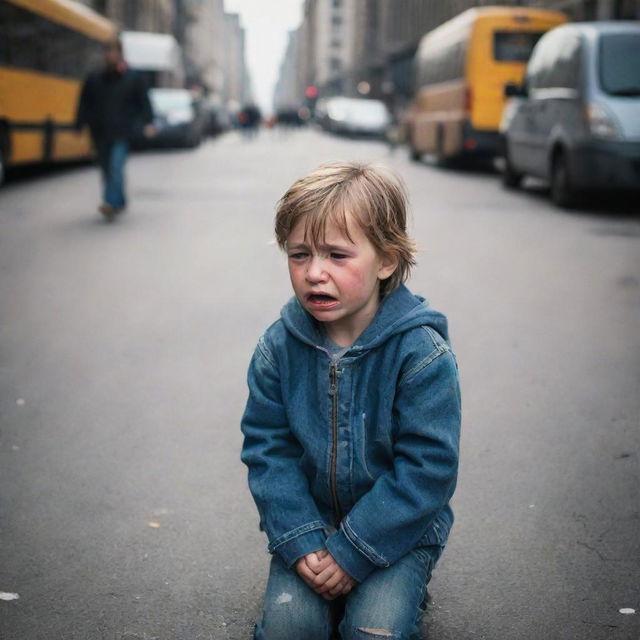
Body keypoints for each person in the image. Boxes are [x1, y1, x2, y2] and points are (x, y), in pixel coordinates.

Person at [241, 162, 462, 640]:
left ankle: (395, 587)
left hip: (397, 534)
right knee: (288, 631)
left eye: (337, 256)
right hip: (310, 528)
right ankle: (328, 582)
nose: (314, 272)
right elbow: (267, 451)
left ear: (386, 260)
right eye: (299, 255)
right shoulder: (278, 349)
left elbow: (429, 470)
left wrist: (356, 552)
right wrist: (301, 541)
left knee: (372, 631)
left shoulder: (420, 354)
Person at [75, 38, 154, 221]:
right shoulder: (95, 78)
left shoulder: (133, 78)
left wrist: (148, 122)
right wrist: (79, 123)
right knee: (105, 168)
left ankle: (110, 203)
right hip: (100, 132)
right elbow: (84, 103)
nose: (110, 55)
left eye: (114, 51)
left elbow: (144, 102)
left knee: (116, 166)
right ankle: (119, 200)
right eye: (107, 52)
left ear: (120, 54)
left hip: (122, 131)